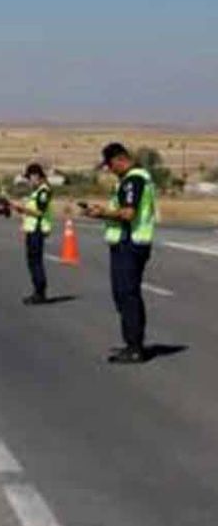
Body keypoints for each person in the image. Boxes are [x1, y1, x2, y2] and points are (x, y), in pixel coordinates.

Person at [83, 143, 156, 364]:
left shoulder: (133, 180)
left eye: (109, 165)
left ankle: (135, 347)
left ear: (119, 159)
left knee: (127, 294)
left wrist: (102, 213)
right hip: (128, 242)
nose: (109, 170)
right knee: (123, 294)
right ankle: (132, 342)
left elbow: (128, 213)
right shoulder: (132, 180)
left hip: (130, 243)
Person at [11, 163, 53, 305]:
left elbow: (40, 212)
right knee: (32, 262)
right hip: (32, 229)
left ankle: (40, 292)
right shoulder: (37, 192)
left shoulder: (43, 191)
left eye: (29, 178)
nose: (29, 181)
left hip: (37, 230)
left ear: (36, 176)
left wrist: (22, 209)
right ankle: (37, 291)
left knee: (36, 262)